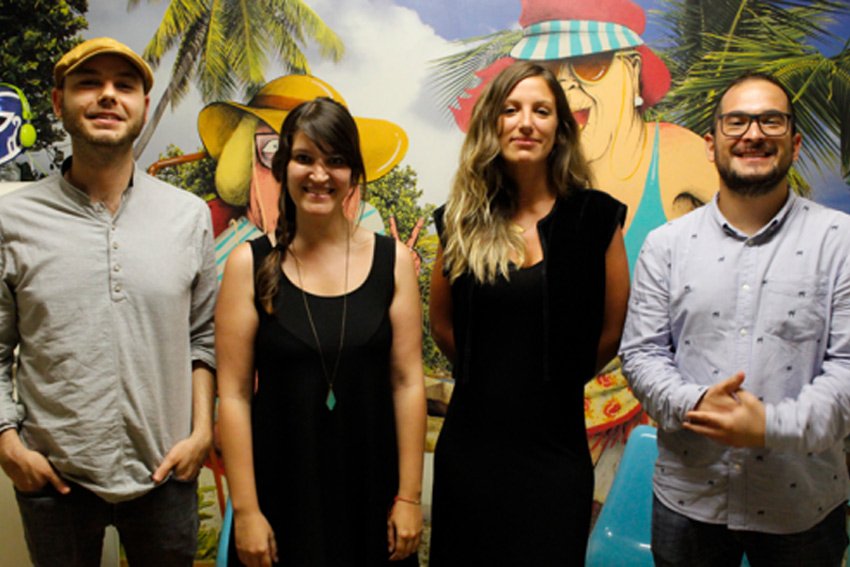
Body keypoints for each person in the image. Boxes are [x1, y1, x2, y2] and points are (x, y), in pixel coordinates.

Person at [0, 37, 217, 566]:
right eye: (89, 83)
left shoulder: (188, 216)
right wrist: (8, 445)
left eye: (124, 86)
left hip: (166, 475)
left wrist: (201, 434)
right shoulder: (12, 219)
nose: (107, 96)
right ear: (59, 103)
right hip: (54, 480)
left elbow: (203, 338)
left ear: (143, 106)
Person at [620, 72, 850, 566]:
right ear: (711, 144)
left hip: (802, 507)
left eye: (771, 120)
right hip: (688, 500)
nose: (753, 134)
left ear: (794, 142)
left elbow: (848, 368)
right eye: (737, 121)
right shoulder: (666, 246)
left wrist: (770, 425)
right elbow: (641, 355)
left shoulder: (841, 242)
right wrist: (697, 403)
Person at [429, 60, 630, 565]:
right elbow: (443, 325)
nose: (525, 123)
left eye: (541, 111)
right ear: (491, 124)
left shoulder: (595, 217)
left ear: (559, 129)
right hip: (471, 452)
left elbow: (612, 329)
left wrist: (557, 376)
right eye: (511, 109)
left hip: (555, 454)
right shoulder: (460, 221)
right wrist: (490, 377)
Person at [216, 97, 426, 566]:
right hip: (280, 500)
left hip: (372, 498)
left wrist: (410, 497)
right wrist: (246, 510)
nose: (319, 174)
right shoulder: (248, 263)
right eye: (304, 158)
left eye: (335, 160)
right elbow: (233, 395)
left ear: (353, 173)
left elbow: (407, 383)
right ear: (282, 166)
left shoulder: (392, 262)